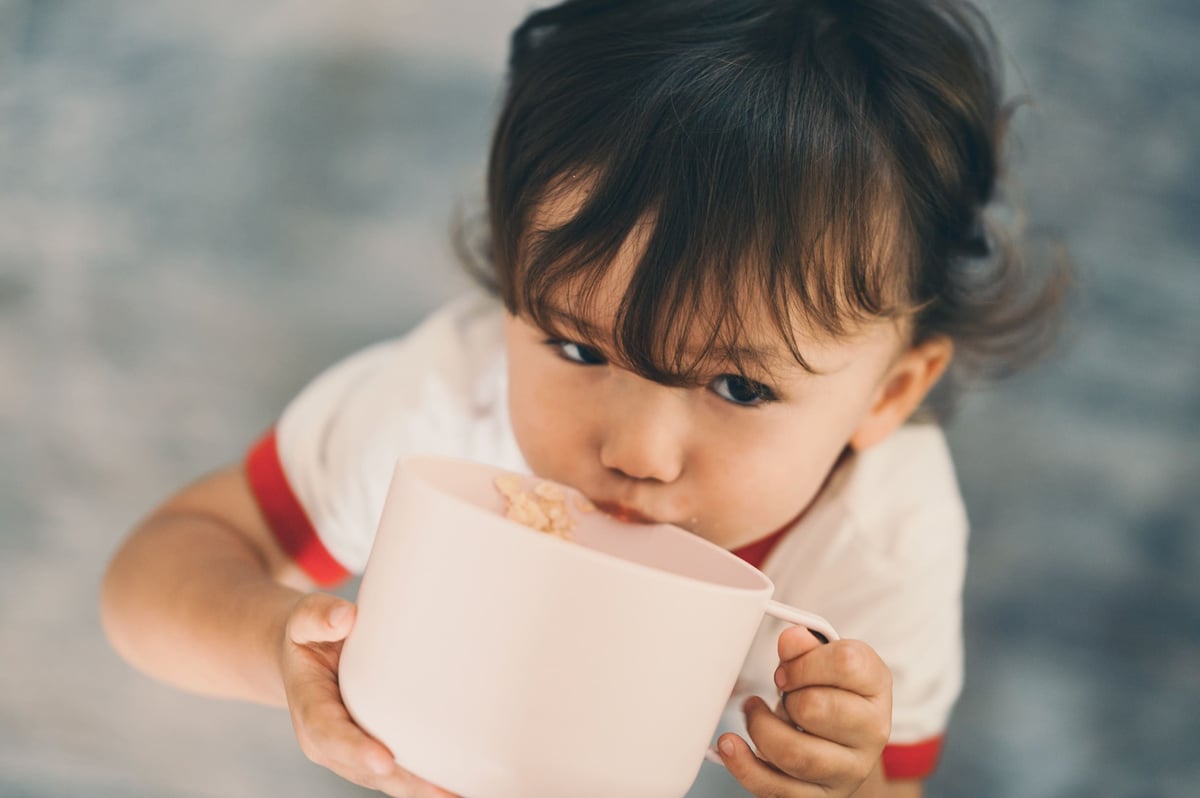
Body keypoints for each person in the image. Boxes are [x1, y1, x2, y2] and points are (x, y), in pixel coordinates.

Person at [101, 0, 1065, 796]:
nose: (638, 450)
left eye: (738, 385)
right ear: (513, 287)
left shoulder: (879, 543)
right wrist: (276, 643)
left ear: (886, 397)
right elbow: (152, 580)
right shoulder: (445, 407)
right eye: (575, 344)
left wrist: (848, 783)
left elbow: (896, 784)